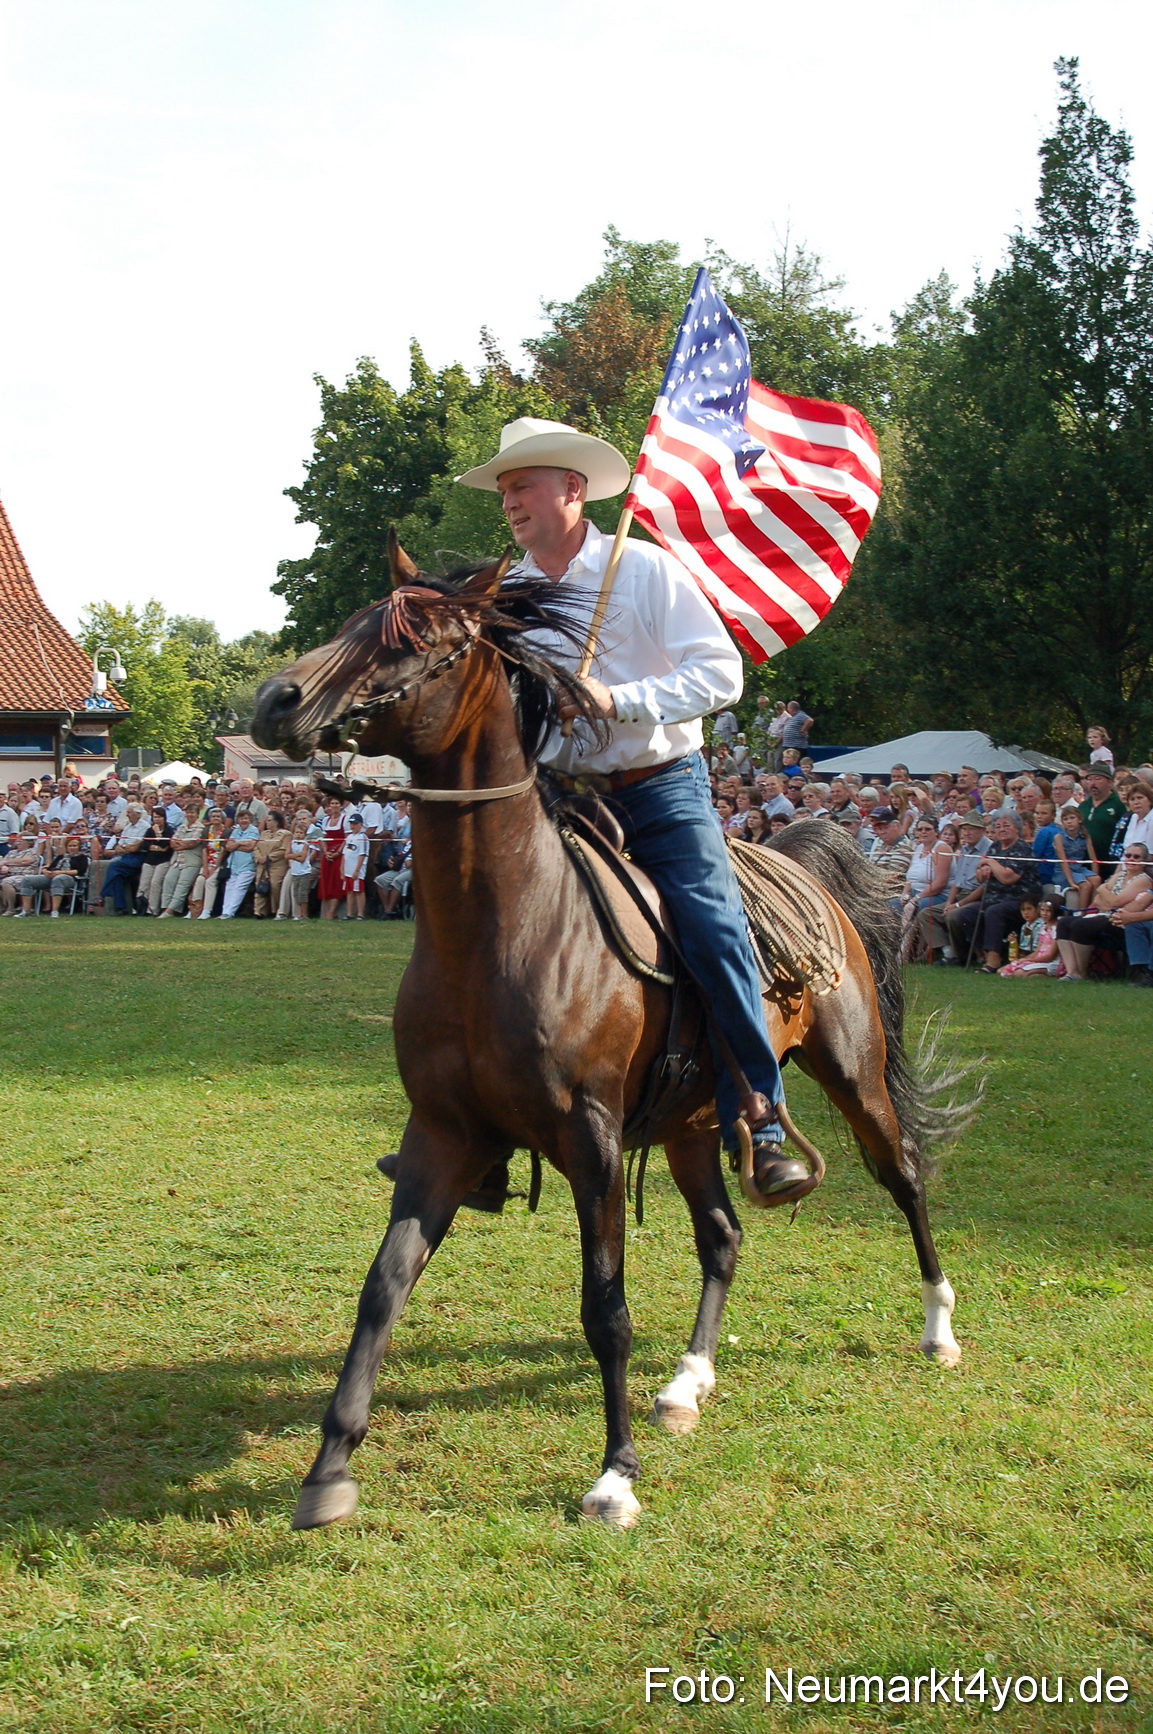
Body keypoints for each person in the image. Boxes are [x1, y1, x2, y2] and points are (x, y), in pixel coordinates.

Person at [457, 414, 802, 1193]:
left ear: (571, 490)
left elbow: (721, 676)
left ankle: (760, 1115)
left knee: (713, 931)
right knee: (479, 931)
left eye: (522, 487)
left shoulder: (642, 570)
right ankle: (482, 1129)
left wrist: (617, 699)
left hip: (659, 789)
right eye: (504, 491)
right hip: (555, 798)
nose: (509, 502)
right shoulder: (504, 593)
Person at [947, 812, 1040, 970]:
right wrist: (983, 871)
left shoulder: (1022, 848)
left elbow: (1007, 878)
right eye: (997, 826)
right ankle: (981, 954)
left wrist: (990, 862)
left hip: (1019, 901)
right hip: (992, 899)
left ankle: (994, 960)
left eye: (1006, 825)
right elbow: (980, 877)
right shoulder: (995, 847)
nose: (1001, 829)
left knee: (994, 911)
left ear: (1017, 828)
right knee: (965, 914)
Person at [1055, 845, 1152, 980]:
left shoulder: (1144, 880)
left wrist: (1102, 889)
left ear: (1145, 861)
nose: (1131, 859)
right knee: (1064, 922)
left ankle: (1082, 972)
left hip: (1122, 921)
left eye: (1136, 857)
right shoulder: (1119, 875)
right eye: (1128, 855)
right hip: (1103, 914)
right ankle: (1072, 972)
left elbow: (1116, 901)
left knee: (1082, 925)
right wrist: (1108, 900)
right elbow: (1097, 899)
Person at [100, 803, 150, 914]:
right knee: (118, 876)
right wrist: (126, 848)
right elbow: (119, 845)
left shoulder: (145, 827)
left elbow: (135, 848)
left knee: (114, 866)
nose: (127, 815)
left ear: (137, 814)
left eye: (129, 812)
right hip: (126, 857)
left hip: (138, 858)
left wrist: (126, 848)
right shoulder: (128, 826)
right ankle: (120, 908)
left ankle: (104, 894)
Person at [998, 896, 1060, 977]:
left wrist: (1029, 960)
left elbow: (1050, 956)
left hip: (1050, 962)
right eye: (1042, 910)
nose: (1044, 914)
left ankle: (1041, 974)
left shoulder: (1055, 928)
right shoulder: (1042, 928)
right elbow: (1037, 951)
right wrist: (1022, 959)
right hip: (1037, 959)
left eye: (1048, 911)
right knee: (1001, 971)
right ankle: (1033, 973)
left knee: (1018, 973)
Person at [1078, 765, 1126, 869]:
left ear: (1109, 782)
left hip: (1111, 864)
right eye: (1089, 779)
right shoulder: (1083, 806)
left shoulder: (1119, 804)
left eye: (1098, 779)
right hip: (1085, 863)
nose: (1093, 783)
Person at [219, 810, 261, 917]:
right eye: (241, 818)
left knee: (239, 888)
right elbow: (228, 847)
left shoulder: (254, 830)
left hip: (247, 866)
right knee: (229, 887)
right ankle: (224, 912)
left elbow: (250, 847)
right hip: (233, 865)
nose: (244, 821)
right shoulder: (235, 830)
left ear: (250, 820)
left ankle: (230, 912)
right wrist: (240, 842)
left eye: (246, 818)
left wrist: (235, 845)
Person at [253, 810, 292, 917]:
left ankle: (276, 910)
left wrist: (269, 857)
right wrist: (259, 857)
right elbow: (256, 847)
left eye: (269, 820)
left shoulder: (286, 834)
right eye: (267, 820)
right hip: (262, 865)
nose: (267, 823)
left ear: (276, 822)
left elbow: (283, 849)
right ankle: (259, 911)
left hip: (277, 865)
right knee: (260, 886)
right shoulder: (264, 834)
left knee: (275, 886)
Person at [341, 812, 370, 919]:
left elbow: (362, 854)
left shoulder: (363, 837)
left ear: (361, 825)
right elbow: (345, 854)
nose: (352, 826)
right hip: (348, 868)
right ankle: (349, 913)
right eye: (351, 823)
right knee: (349, 891)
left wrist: (357, 870)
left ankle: (360, 913)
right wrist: (342, 868)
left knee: (359, 891)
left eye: (355, 823)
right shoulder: (349, 837)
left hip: (357, 869)